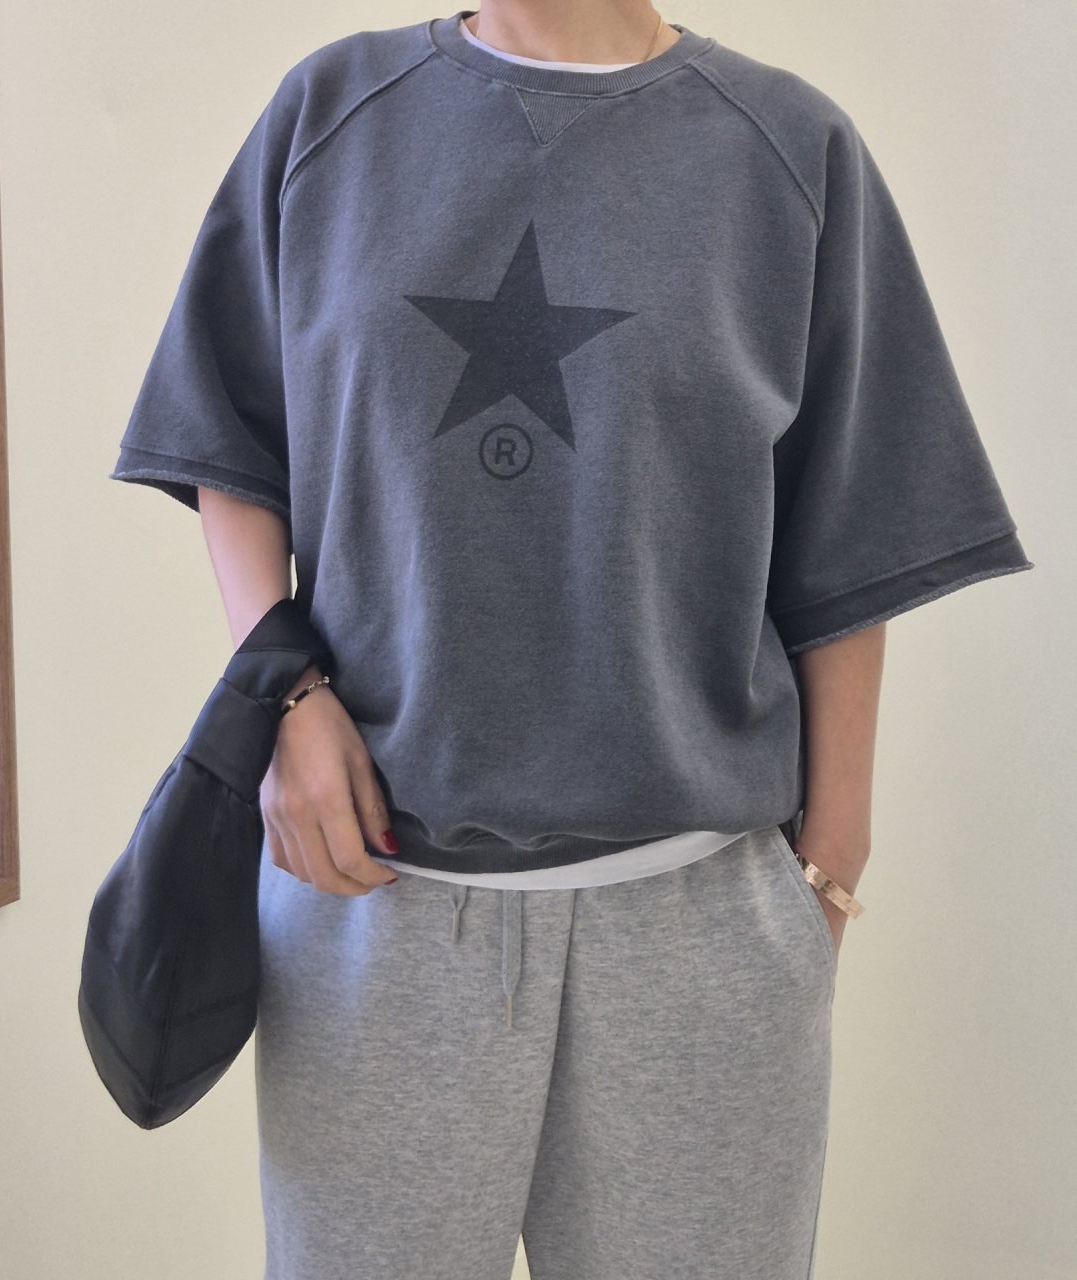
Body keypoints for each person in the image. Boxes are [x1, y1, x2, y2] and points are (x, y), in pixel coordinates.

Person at [108, 5, 1035, 1277]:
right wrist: (287, 694)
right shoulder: (329, 113)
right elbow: (228, 441)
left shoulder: (788, 148)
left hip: (699, 918)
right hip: (373, 909)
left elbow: (854, 535)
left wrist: (828, 867)